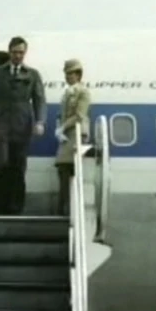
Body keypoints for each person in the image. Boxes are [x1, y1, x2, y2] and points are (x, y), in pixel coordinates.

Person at [0, 36, 47, 215]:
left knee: (19, 167)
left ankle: (16, 207)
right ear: (9, 52)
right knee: (1, 164)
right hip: (1, 126)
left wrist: (40, 122)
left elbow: (40, 100)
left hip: (22, 126)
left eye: (21, 52)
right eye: (15, 52)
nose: (18, 55)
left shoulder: (32, 74)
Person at [54, 59, 91, 216]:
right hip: (66, 137)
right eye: (66, 73)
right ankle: (63, 208)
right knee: (63, 169)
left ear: (78, 75)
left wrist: (62, 127)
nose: (68, 76)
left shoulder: (83, 92)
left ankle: (67, 210)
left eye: (71, 73)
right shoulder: (67, 92)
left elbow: (79, 115)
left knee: (69, 169)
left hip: (76, 134)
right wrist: (59, 128)